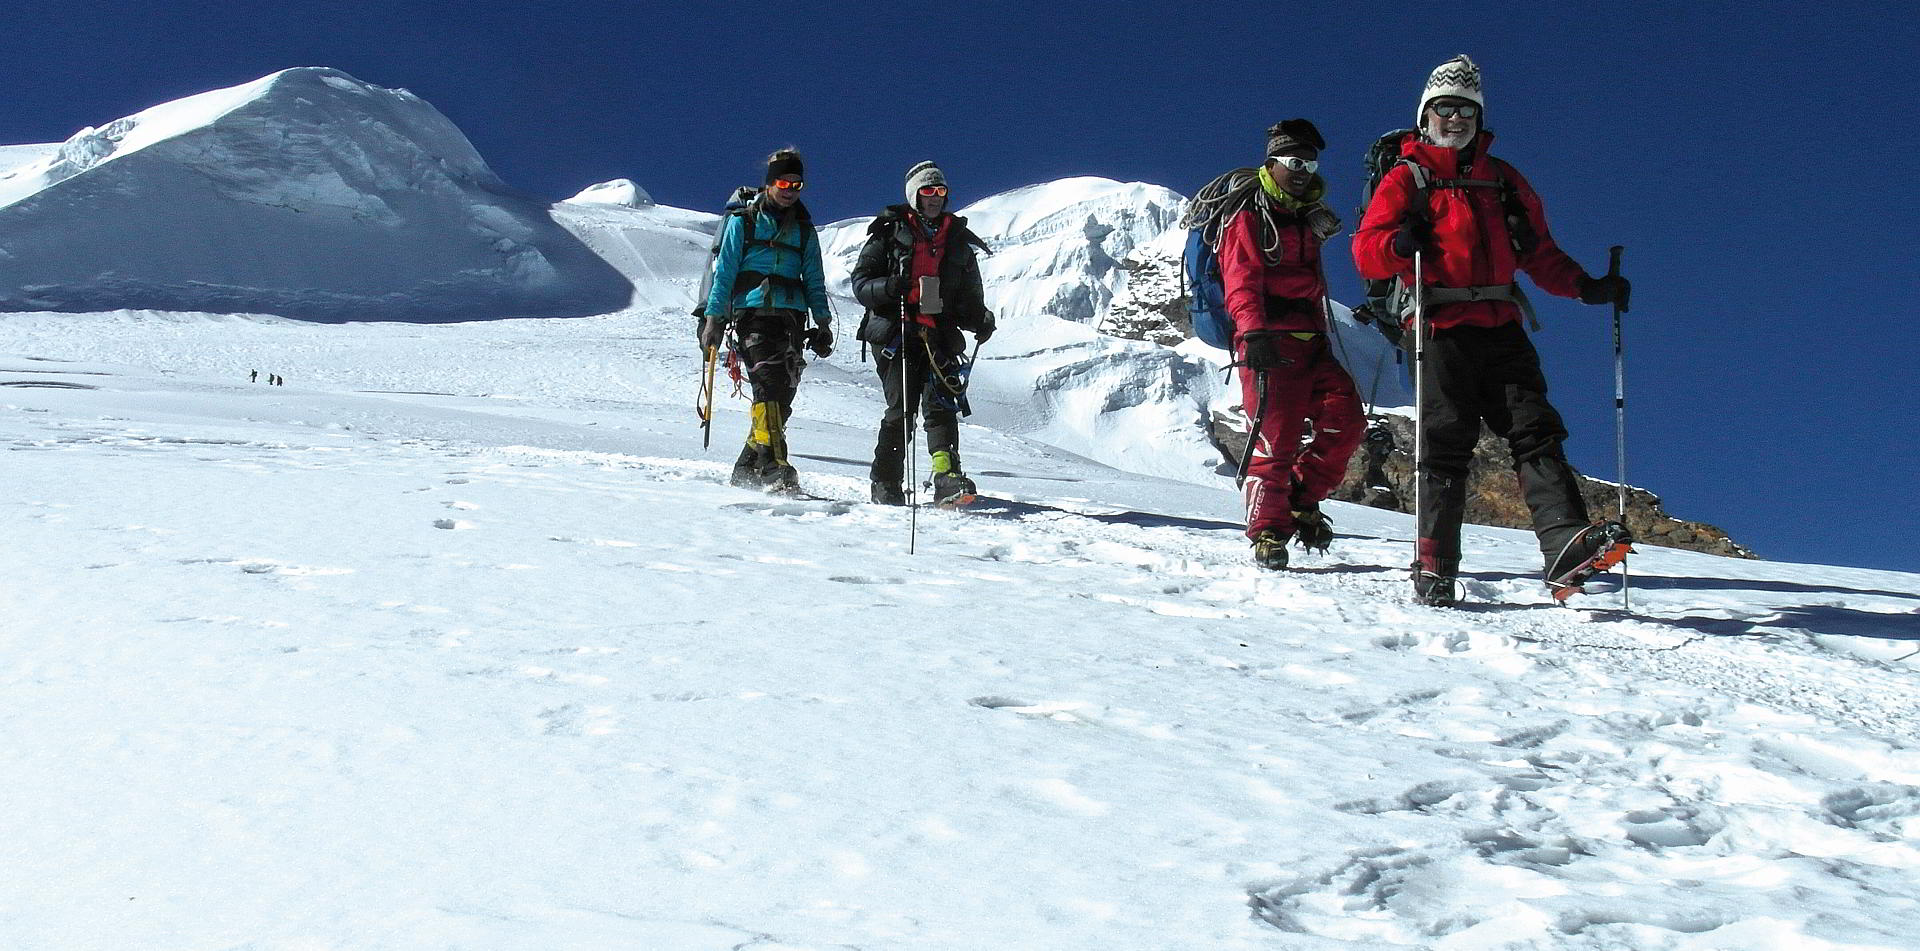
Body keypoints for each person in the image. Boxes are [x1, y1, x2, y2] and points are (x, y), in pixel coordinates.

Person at [1353, 55, 1632, 605]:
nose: (1454, 119)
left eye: (1465, 110)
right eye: (1443, 109)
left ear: (1478, 118)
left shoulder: (1504, 180)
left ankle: (1564, 545)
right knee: (1444, 443)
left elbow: (1539, 253)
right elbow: (1366, 251)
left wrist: (1586, 287)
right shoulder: (1406, 178)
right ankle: (1434, 565)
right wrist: (1396, 245)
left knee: (1536, 430)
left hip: (1501, 325)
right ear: (1425, 116)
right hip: (1438, 325)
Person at [1216, 119, 1365, 570]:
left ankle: (1301, 497)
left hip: (1312, 341)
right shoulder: (1248, 215)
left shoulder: (1305, 217)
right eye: (1293, 161)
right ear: (1272, 162)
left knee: (1347, 419)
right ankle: (1267, 531)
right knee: (1274, 440)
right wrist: (1253, 331)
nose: (1303, 170)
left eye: (1310, 162)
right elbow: (1240, 278)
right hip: (1267, 341)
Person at [851, 161, 995, 507]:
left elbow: (969, 296)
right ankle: (886, 480)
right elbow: (861, 283)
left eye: (940, 191)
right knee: (902, 408)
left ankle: (946, 476)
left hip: (939, 335)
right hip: (895, 331)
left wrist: (981, 319)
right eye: (927, 191)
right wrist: (890, 287)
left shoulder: (957, 241)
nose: (934, 197)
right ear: (915, 195)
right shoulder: (888, 232)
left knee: (941, 405)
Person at [698, 149, 835, 493]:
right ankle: (774, 464)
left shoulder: (804, 231)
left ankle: (746, 467)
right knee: (768, 385)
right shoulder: (742, 221)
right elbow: (724, 272)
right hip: (751, 313)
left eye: (797, 183)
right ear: (770, 182)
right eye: (784, 182)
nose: (790, 189)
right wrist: (714, 318)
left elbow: (814, 280)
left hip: (791, 318)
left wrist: (822, 322)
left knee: (782, 396)